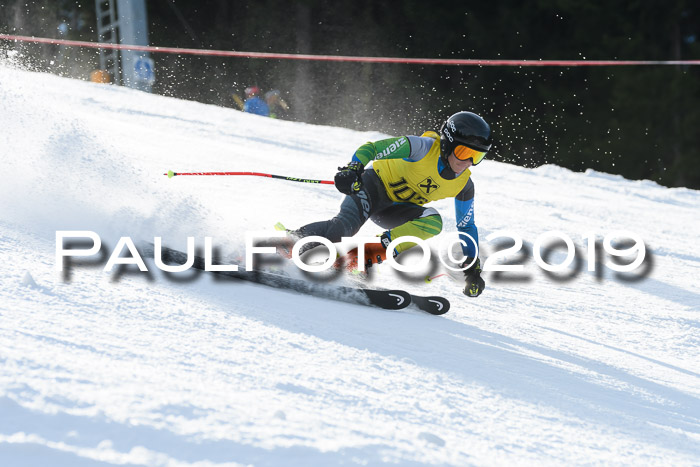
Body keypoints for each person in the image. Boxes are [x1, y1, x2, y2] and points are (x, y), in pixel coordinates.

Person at [282, 111, 492, 297]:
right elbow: (372, 148)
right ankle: (285, 246)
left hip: (394, 209)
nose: (467, 163)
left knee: (433, 221)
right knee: (344, 227)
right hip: (371, 187)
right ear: (447, 143)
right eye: (464, 153)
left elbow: (466, 226)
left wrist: (472, 266)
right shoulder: (422, 147)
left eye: (477, 156)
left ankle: (361, 257)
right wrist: (353, 168)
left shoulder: (464, 184)